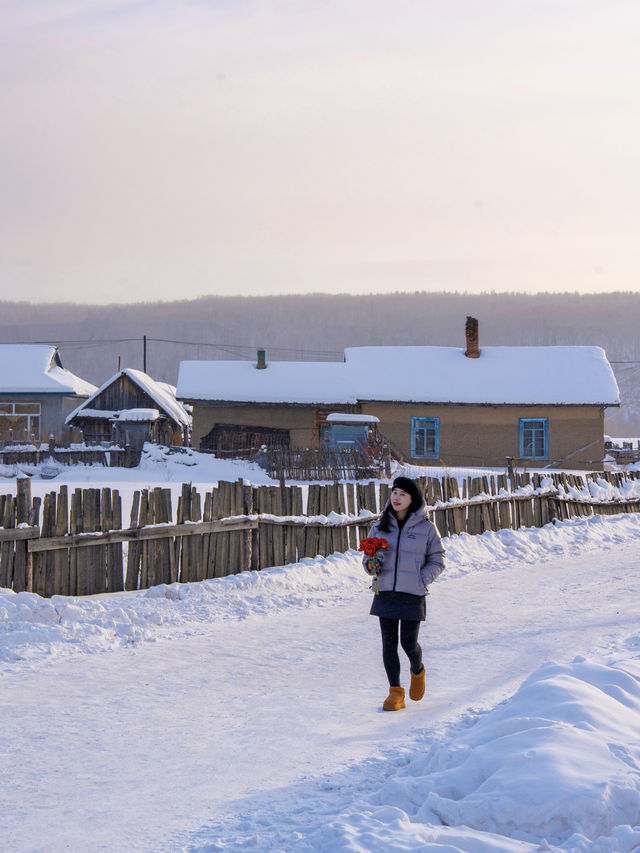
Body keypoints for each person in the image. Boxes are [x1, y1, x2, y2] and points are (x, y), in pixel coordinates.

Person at [363, 476, 445, 711]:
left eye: (403, 494)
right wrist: (371, 565)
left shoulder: (427, 528)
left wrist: (421, 579)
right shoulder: (379, 527)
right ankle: (395, 693)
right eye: (394, 493)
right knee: (388, 643)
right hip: (385, 591)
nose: (396, 498)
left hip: (412, 593)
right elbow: (367, 559)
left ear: (413, 499)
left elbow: (438, 559)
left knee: (409, 643)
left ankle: (417, 669)